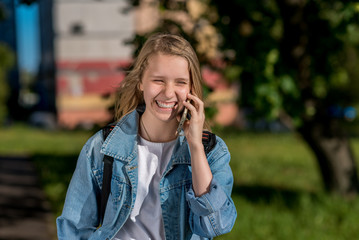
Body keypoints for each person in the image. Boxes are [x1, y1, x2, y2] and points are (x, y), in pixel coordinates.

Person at [56, 33, 237, 240]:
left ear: (192, 89)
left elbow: (214, 225)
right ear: (141, 82)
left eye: (180, 82)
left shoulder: (212, 152)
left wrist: (195, 146)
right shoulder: (102, 147)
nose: (169, 93)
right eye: (158, 80)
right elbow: (73, 229)